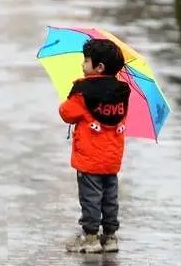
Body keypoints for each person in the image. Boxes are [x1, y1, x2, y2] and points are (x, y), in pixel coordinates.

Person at [59, 39, 131, 253]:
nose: (82, 64)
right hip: (112, 159)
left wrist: (73, 92)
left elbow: (66, 113)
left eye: (86, 61)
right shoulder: (122, 91)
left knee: (90, 198)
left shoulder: (83, 91)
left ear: (99, 67)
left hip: (89, 158)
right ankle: (110, 237)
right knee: (110, 198)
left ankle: (90, 237)